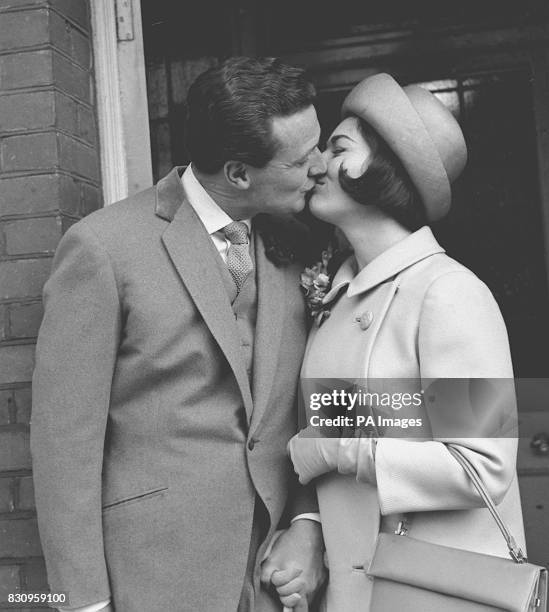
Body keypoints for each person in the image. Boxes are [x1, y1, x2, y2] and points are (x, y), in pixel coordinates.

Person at [31, 57, 328, 612]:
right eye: (301, 157)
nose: (320, 166)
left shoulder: (299, 240)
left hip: (275, 578)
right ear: (239, 173)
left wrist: (307, 521)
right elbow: (63, 444)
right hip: (154, 573)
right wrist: (83, 602)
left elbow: (304, 406)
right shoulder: (103, 248)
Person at [287, 73, 526, 611]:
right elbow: (375, 417)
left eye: (338, 147)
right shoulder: (340, 296)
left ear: (386, 170)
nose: (317, 164)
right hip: (354, 588)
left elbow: (481, 464)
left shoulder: (448, 292)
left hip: (433, 593)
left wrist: (331, 448)